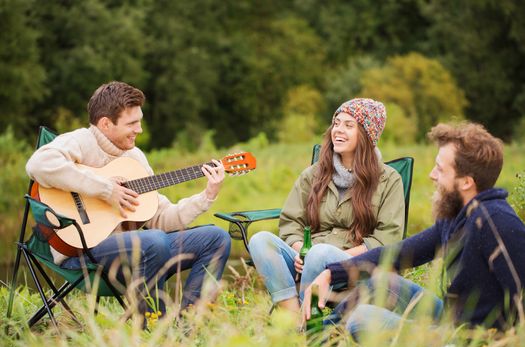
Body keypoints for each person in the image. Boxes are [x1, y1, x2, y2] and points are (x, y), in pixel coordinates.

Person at [303, 122, 525, 338]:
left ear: (466, 182)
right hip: (451, 318)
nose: (431, 175)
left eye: (440, 169)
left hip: (472, 338)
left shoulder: (497, 222)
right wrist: (331, 273)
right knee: (382, 283)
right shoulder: (457, 215)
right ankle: (318, 336)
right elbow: (398, 254)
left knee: (363, 319)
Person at [26, 81, 231, 314]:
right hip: (82, 252)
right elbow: (38, 163)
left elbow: (161, 218)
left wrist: (207, 196)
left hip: (139, 252)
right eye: (132, 123)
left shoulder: (135, 158)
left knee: (216, 238)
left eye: (140, 121)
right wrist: (104, 189)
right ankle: (153, 325)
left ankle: (189, 321)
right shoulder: (81, 141)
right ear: (105, 124)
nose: (139, 129)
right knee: (154, 241)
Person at [249, 98, 405, 313]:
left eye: (349, 125)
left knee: (320, 253)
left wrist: (319, 255)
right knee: (260, 240)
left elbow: (387, 239)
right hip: (308, 256)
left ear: (368, 135)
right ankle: (293, 318)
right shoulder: (314, 174)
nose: (338, 130)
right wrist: (300, 252)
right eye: (337, 123)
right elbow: (290, 223)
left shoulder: (389, 180)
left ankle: (310, 321)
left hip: (354, 262)